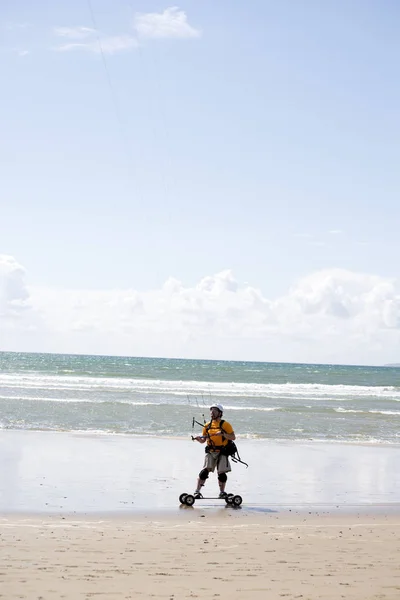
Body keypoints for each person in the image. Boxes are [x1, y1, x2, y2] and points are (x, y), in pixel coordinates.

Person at [193, 403, 236, 499]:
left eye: (215, 410)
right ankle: (197, 492)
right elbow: (203, 441)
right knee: (204, 472)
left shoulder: (225, 424)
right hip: (210, 451)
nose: (212, 412)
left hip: (222, 451)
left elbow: (233, 437)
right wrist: (198, 439)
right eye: (211, 410)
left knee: (222, 473)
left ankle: (222, 492)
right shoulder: (207, 426)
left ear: (220, 413)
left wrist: (223, 434)